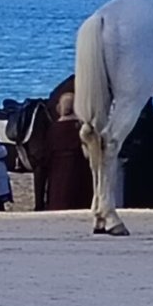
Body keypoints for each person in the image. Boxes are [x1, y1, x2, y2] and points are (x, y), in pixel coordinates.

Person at [38, 80, 94, 210]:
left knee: (59, 192)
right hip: (79, 166)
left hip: (58, 167)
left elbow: (48, 150)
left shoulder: (54, 128)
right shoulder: (80, 127)